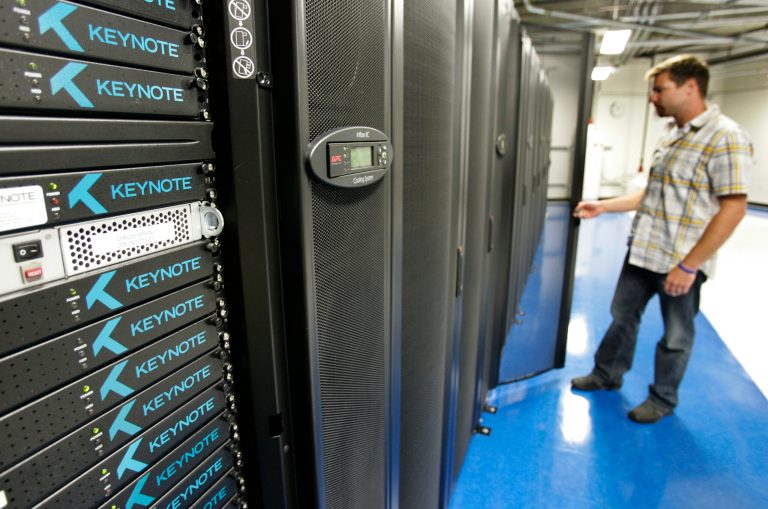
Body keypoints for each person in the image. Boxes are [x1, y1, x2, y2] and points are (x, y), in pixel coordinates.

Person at [571, 54, 751, 423]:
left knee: (675, 336)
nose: (653, 98)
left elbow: (733, 208)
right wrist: (604, 206)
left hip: (680, 262)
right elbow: (647, 195)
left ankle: (663, 399)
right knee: (622, 318)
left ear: (690, 87)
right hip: (643, 252)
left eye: (659, 89)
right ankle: (607, 375)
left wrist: (689, 265)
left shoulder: (725, 137)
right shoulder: (672, 138)